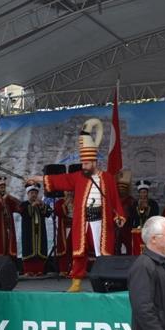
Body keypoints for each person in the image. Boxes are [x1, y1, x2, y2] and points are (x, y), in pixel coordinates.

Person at [27, 118, 126, 293]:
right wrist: (37, 178)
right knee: (79, 251)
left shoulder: (108, 178)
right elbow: (59, 180)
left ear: (94, 162)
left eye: (86, 164)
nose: (84, 166)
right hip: (83, 220)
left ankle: (107, 280)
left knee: (103, 252)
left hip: (101, 221)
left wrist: (119, 215)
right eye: (83, 163)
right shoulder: (78, 176)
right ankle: (76, 282)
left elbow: (114, 199)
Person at [20, 183, 52, 276]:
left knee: (40, 250)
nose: (34, 195)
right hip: (29, 232)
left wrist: (42, 205)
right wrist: (33, 205)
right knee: (29, 249)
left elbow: (48, 213)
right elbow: (25, 213)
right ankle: (28, 271)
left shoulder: (40, 204)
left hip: (40, 232)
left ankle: (39, 270)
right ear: (28, 194)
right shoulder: (24, 204)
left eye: (35, 193)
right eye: (32, 193)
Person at [0, 176, 19, 259]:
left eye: (4, 187)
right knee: (0, 248)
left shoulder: (8, 199)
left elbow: (19, 206)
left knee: (9, 247)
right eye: (1, 188)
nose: (3, 189)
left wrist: (11, 197)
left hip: (9, 228)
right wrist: (2, 201)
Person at [54, 189, 74, 276]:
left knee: (74, 248)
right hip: (64, 228)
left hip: (75, 227)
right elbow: (59, 212)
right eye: (67, 191)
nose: (69, 192)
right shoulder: (59, 202)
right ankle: (64, 269)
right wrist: (66, 204)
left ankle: (74, 269)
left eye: (70, 191)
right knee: (64, 248)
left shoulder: (77, 200)